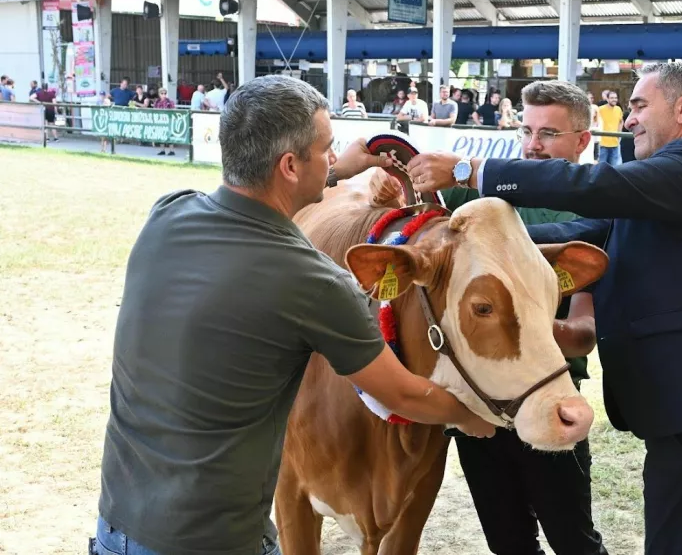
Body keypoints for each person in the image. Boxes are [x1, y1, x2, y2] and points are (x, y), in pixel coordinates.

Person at [91, 75, 494, 555]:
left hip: (116, 525)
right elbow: (403, 395)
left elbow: (259, 189)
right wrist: (469, 414)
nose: (332, 158)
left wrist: (334, 169)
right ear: (288, 165)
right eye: (326, 149)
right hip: (214, 540)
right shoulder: (313, 281)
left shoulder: (168, 213)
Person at [404, 62, 682, 555]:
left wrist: (470, 171)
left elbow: (593, 187)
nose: (628, 119)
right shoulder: (662, 189)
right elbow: (574, 234)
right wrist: (465, 248)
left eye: (640, 105)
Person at [372, 79, 609, 555]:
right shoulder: (477, 206)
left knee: (574, 542)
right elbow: (419, 225)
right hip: (477, 408)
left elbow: (584, 334)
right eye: (528, 130)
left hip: (548, 395)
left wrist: (522, 326)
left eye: (549, 134)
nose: (533, 145)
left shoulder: (598, 211)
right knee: (508, 543)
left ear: (583, 141)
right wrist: (380, 173)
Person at [596, 90, 625, 164]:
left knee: (614, 168)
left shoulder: (618, 109)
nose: (614, 99)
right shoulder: (600, 109)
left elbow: (621, 121)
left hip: (615, 143)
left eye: (615, 98)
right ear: (607, 99)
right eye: (612, 98)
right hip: (603, 144)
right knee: (601, 167)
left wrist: (619, 134)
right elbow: (595, 122)